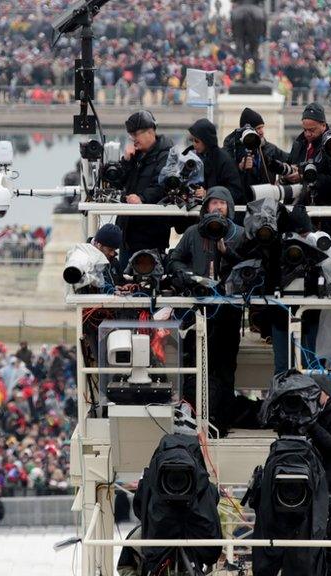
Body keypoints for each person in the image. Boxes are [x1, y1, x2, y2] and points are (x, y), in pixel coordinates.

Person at [165, 187, 244, 433]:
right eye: (214, 203)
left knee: (225, 368)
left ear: (229, 206)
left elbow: (248, 265)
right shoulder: (192, 233)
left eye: (222, 203)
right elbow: (174, 259)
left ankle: (222, 422)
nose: (218, 207)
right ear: (206, 207)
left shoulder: (239, 234)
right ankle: (198, 419)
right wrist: (188, 277)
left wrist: (226, 252)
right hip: (199, 310)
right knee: (199, 366)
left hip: (229, 311)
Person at [116, 110, 174, 263]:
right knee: (125, 280)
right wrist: (126, 161)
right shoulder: (137, 155)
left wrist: (142, 198)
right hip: (127, 231)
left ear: (150, 132)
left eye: (136, 135)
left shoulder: (166, 155)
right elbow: (119, 183)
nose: (133, 140)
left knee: (147, 280)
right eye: (131, 136)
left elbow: (161, 185)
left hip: (151, 233)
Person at [223, 107, 288, 203]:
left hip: (266, 204)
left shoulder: (270, 149)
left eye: (262, 127)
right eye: (258, 128)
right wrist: (239, 167)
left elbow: (290, 159)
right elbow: (224, 173)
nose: (262, 132)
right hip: (241, 204)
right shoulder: (232, 149)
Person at [187, 118, 244, 205]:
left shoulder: (224, 160)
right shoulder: (196, 157)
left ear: (206, 141)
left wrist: (208, 193)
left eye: (197, 141)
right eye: (192, 140)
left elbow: (235, 191)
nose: (194, 144)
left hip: (219, 213)